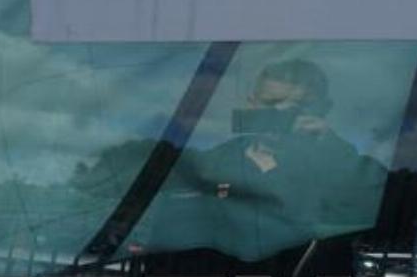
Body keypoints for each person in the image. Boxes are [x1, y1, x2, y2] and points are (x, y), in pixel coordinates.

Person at [158, 59, 384, 263]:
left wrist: (331, 148)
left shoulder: (342, 167)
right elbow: (167, 238)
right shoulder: (208, 166)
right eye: (270, 105)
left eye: (298, 108)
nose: (281, 115)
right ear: (252, 105)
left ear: (323, 110)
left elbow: (379, 213)